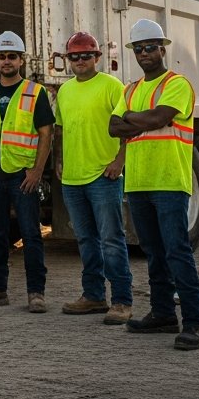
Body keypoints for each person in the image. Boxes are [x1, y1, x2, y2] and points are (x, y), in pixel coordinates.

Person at [108, 19, 199, 350]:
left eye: (151, 47)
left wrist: (133, 120)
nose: (145, 53)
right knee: (153, 253)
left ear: (162, 49)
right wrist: (142, 119)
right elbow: (112, 127)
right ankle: (163, 314)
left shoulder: (177, 84)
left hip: (169, 180)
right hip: (137, 182)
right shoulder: (131, 89)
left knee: (177, 251)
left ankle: (194, 323)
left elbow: (156, 119)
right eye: (139, 48)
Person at [0, 31, 54, 312]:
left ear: (21, 60)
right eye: (2, 56)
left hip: (22, 176)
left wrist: (37, 172)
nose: (7, 61)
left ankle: (36, 294)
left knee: (31, 235)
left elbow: (46, 134)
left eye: (12, 56)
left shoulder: (35, 92)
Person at [55, 31, 134, 325]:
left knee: (111, 239)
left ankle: (122, 301)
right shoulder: (64, 91)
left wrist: (119, 160)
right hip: (73, 179)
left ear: (97, 57)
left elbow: (129, 127)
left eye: (85, 55)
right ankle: (94, 296)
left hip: (103, 176)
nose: (79, 61)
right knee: (86, 240)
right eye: (73, 56)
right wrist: (61, 161)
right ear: (68, 60)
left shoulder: (113, 87)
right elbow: (61, 129)